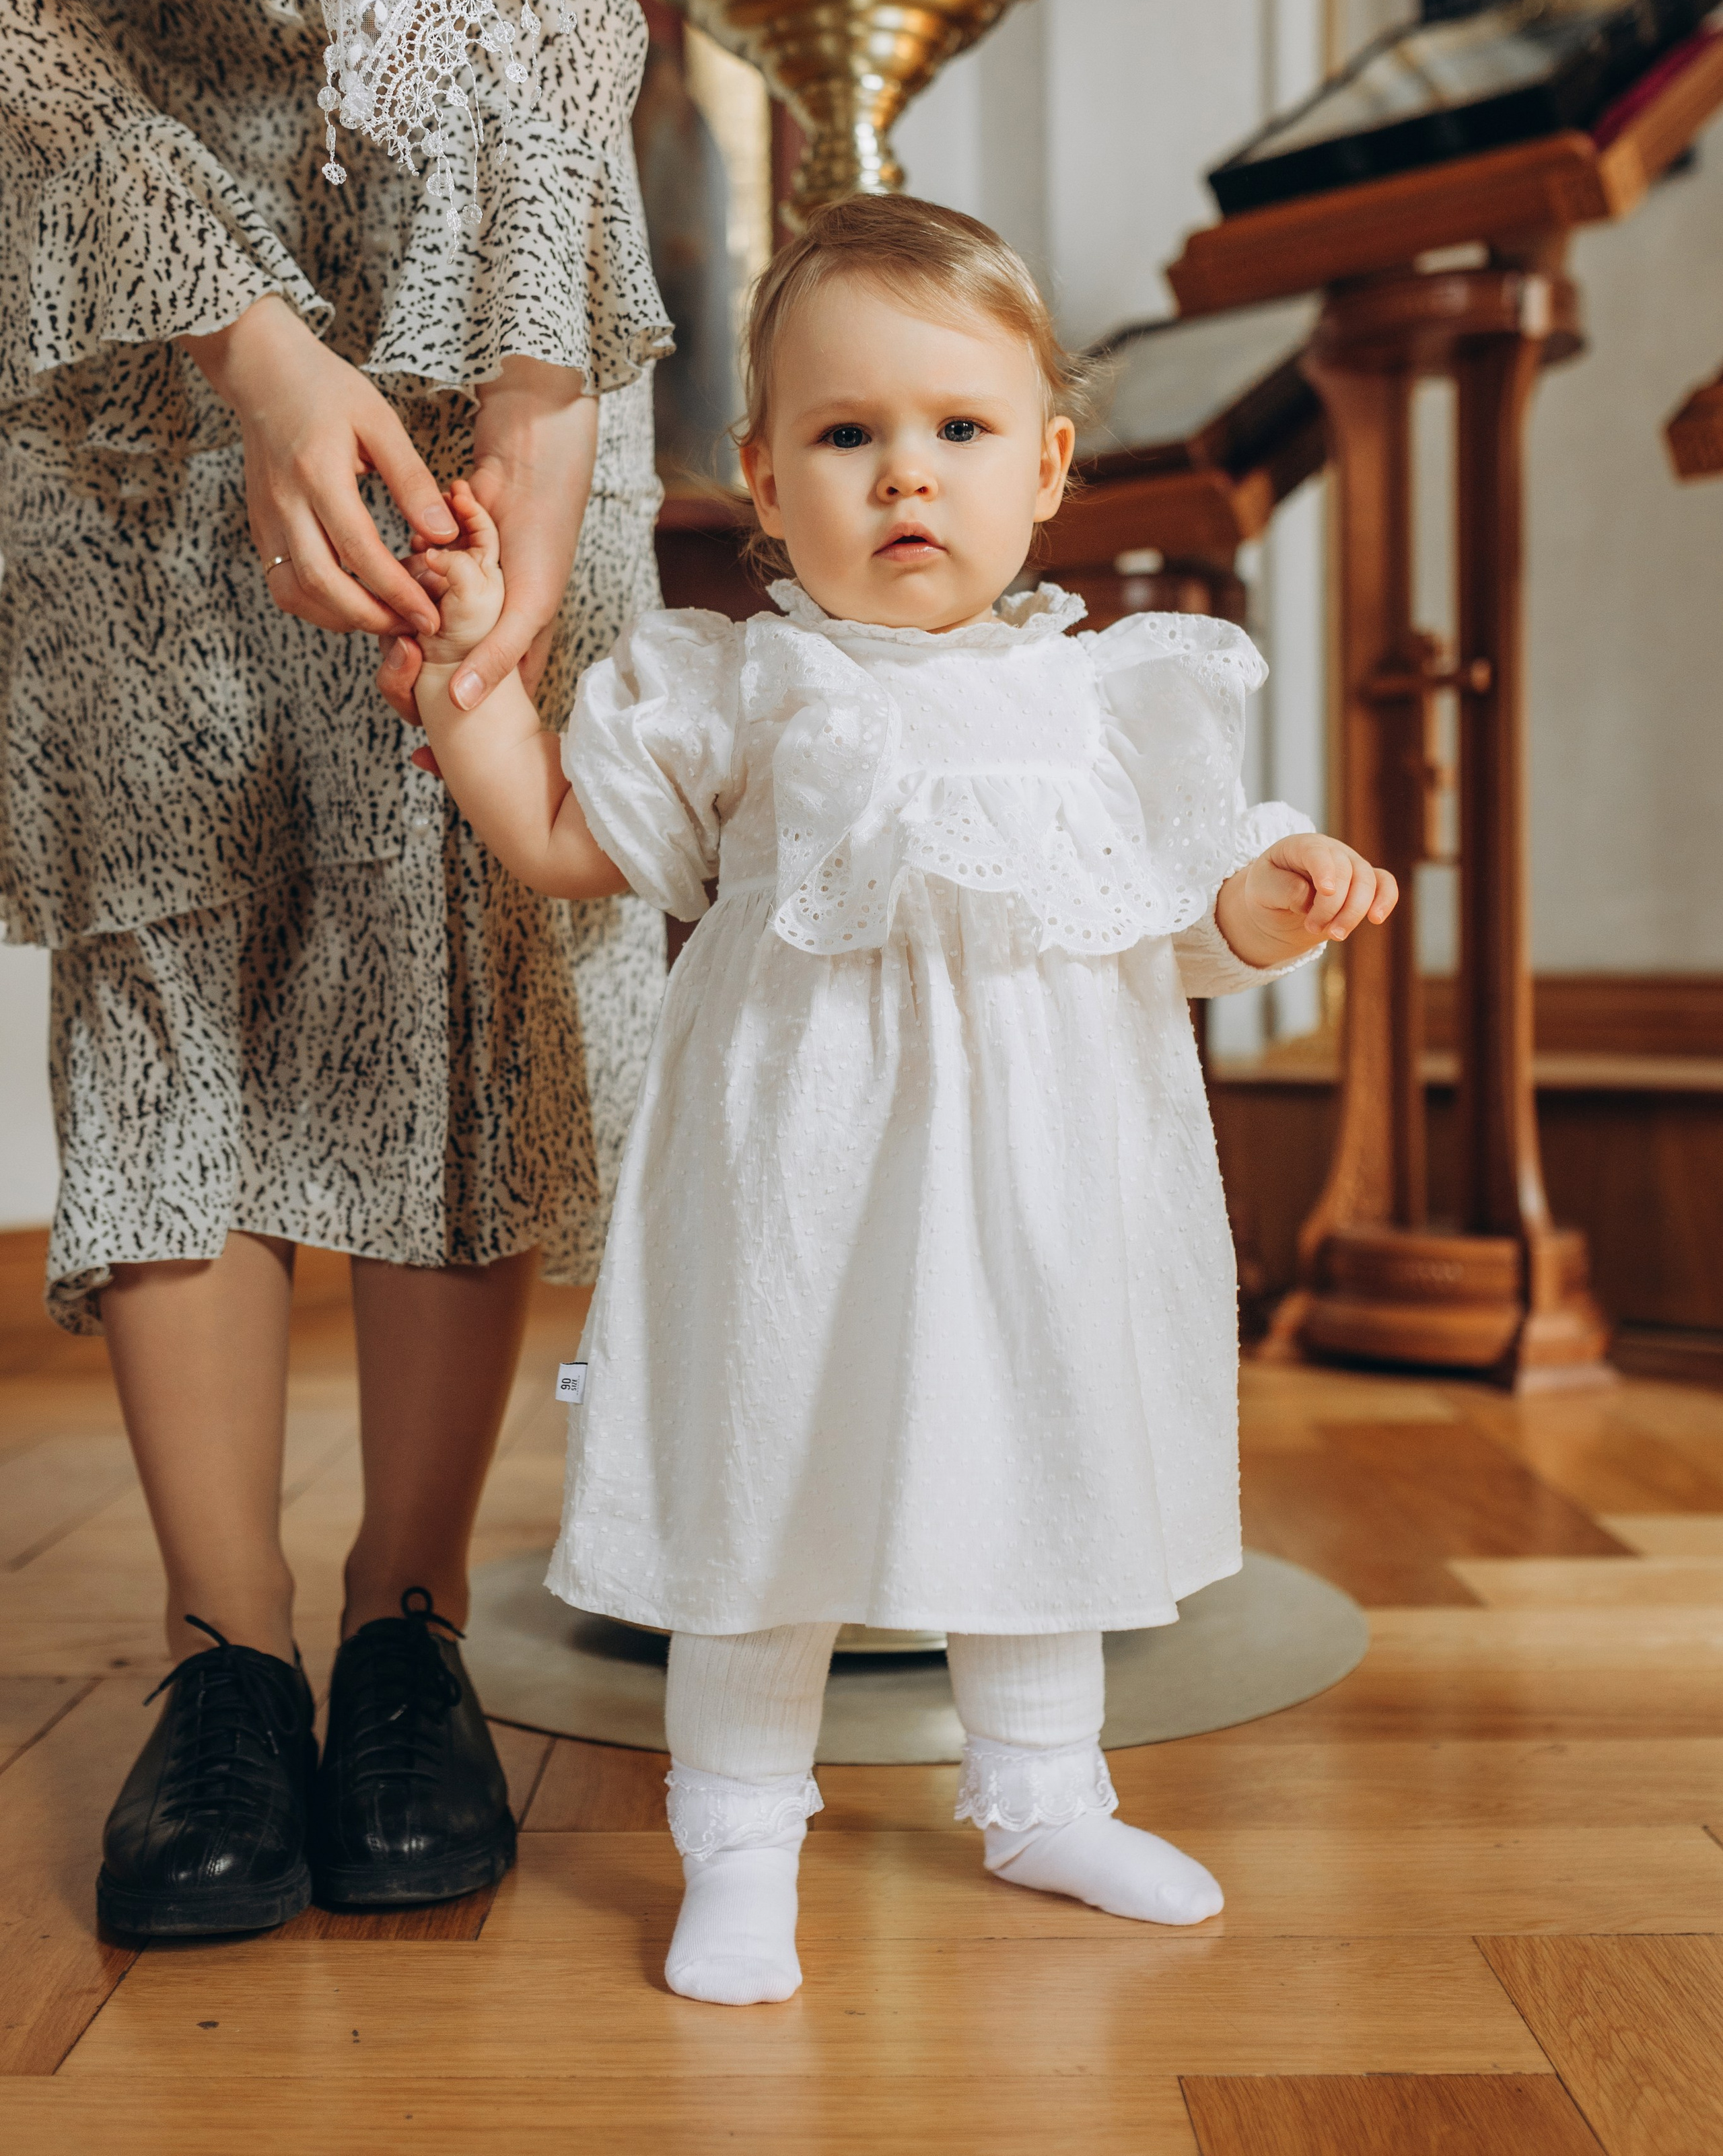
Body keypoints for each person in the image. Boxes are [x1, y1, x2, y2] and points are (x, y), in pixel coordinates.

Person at [411, 192, 1401, 2004]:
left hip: (1045, 1184)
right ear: (767, 482)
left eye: (956, 432)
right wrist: (472, 692)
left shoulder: (1108, 702)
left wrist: (1275, 899)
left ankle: (1037, 1794)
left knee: (1037, 1462)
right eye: (848, 436)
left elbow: (1186, 912)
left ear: (1048, 464)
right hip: (800, 1173)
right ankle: (737, 1829)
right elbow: (567, 840)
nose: (905, 479)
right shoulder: (748, 679)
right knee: (764, 1481)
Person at [0, 0, 693, 1935]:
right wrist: (250, 341)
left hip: (497, 262)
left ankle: (408, 1625)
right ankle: (224, 1651)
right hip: (120, 273)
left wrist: (541, 425)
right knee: (170, 925)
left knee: (458, 918)